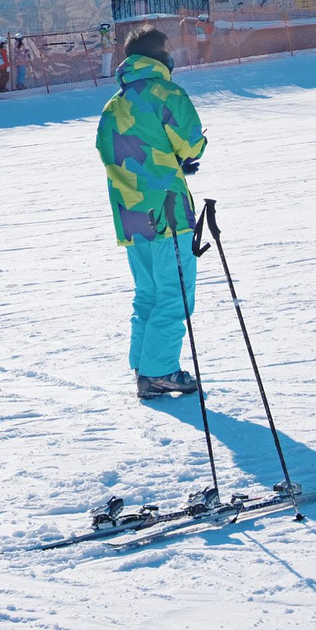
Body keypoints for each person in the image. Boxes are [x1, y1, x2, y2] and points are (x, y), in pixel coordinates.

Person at [94, 27, 207, 400]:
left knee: (148, 294)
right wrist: (187, 156)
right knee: (175, 295)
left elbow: (115, 156)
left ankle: (145, 368)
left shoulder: (114, 106)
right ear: (158, 56)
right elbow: (190, 141)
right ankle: (160, 371)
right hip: (167, 213)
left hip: (131, 216)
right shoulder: (166, 93)